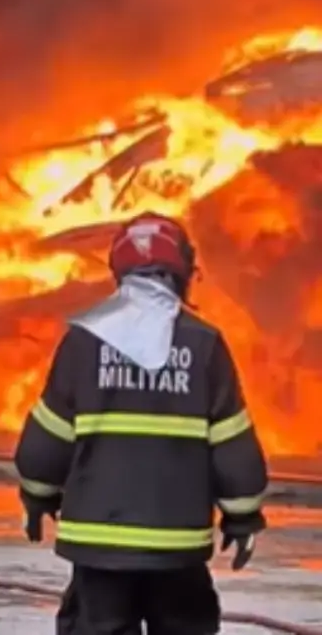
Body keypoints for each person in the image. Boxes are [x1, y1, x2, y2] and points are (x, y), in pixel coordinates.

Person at [15, 211, 269, 635]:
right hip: (178, 549)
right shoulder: (204, 344)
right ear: (183, 273)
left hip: (99, 547)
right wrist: (242, 516)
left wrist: (38, 496)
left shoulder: (83, 341)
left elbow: (46, 441)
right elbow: (233, 444)